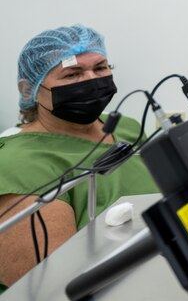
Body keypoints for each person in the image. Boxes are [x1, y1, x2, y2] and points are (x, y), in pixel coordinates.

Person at [0, 25, 158, 291]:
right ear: (30, 90)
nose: (91, 80)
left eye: (100, 68)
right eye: (72, 74)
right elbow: (57, 288)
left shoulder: (126, 127)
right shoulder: (18, 166)